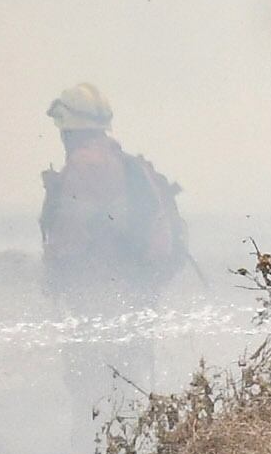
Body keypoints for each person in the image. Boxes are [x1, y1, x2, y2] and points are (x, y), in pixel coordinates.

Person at [37, 83, 188, 303]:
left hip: (99, 291)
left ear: (67, 129)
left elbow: (69, 236)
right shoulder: (124, 162)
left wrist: (55, 278)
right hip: (139, 289)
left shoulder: (83, 166)